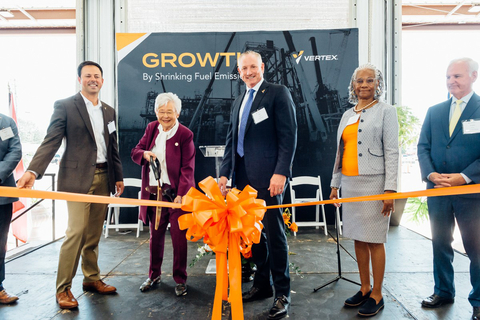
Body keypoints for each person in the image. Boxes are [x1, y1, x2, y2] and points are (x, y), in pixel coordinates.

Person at [17, 61, 124, 309]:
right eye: (88, 76)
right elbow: (51, 140)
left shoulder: (109, 111)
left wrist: (117, 175)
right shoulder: (65, 106)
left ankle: (91, 278)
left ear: (103, 81)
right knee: (76, 233)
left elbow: (113, 146)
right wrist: (33, 170)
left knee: (94, 235)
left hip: (103, 178)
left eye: (97, 76)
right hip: (76, 181)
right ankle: (63, 289)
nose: (93, 79)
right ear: (79, 79)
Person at [218, 50, 297, 320]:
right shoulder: (238, 99)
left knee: (275, 236)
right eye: (244, 68)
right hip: (242, 180)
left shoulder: (277, 92)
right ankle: (262, 285)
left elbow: (288, 136)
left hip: (269, 179)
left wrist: (281, 173)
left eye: (253, 66)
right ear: (239, 71)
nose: (249, 72)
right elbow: (231, 140)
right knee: (253, 237)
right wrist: (225, 174)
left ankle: (282, 294)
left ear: (262, 67)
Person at [329, 64, 398, 317]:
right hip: (350, 184)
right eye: (360, 81)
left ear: (378, 85)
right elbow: (340, 152)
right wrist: (335, 183)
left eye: (370, 80)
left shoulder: (386, 112)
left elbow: (392, 151)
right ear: (353, 85)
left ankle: (378, 294)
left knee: (375, 239)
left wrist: (390, 189)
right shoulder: (347, 114)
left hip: (375, 183)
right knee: (358, 237)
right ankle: (365, 287)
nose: (364, 85)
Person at [417, 57, 480, 320]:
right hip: (438, 192)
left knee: (476, 248)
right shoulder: (435, 111)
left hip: (471, 194)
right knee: (440, 243)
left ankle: (478, 301)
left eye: (457, 76)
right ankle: (443, 291)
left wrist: (464, 177)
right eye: (448, 77)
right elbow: (423, 147)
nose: (451, 81)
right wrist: (431, 174)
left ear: (473, 76)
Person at [131, 92, 195, 297]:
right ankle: (154, 275)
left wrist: (182, 194)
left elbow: (188, 167)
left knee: (178, 238)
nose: (165, 116)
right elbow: (136, 151)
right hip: (154, 195)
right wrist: (145, 154)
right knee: (155, 237)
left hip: (174, 195)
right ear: (156, 112)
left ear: (177, 112)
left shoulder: (185, 134)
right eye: (161, 111)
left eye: (169, 112)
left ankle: (180, 279)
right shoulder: (151, 129)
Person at [0, 113, 22, 304]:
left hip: (2, 195)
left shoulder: (6, 123)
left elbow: (15, 151)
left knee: (0, 243)